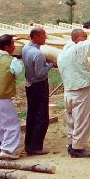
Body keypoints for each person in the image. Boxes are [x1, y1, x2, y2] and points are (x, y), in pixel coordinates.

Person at [59, 11, 90, 158]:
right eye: (82, 37)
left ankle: (71, 143)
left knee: (71, 120)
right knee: (82, 120)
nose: (85, 39)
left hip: (68, 91)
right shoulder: (77, 49)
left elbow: (87, 42)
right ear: (76, 39)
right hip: (79, 91)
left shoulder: (64, 51)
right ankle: (77, 148)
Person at [21, 27, 54, 156]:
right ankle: (35, 147)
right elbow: (40, 73)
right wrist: (51, 65)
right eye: (43, 36)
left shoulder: (25, 49)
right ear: (35, 37)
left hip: (30, 84)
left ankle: (29, 144)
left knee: (32, 115)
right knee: (42, 117)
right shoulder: (38, 54)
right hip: (39, 85)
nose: (45, 38)